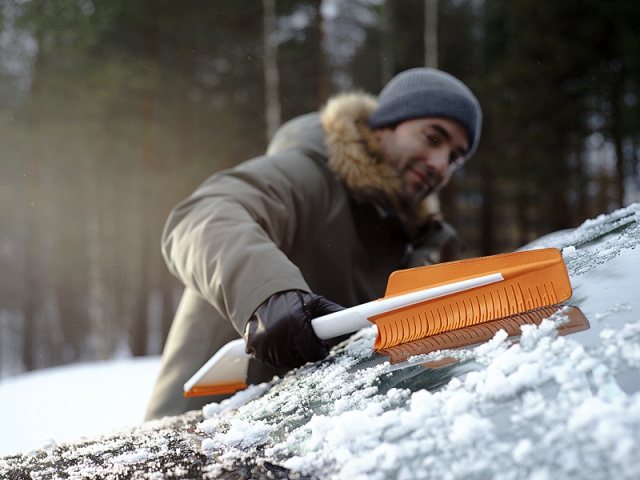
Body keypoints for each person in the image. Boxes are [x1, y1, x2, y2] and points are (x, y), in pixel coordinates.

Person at [145, 68, 482, 420]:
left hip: (300, 447)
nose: (441, 165)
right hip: (197, 437)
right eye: (432, 138)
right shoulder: (310, 176)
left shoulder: (414, 245)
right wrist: (267, 294)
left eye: (456, 158)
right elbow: (202, 217)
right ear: (384, 126)